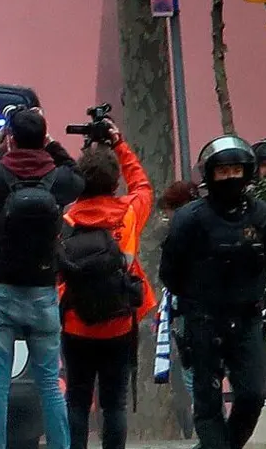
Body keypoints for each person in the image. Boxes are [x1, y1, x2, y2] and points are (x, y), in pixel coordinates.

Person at [0, 107, 81, 449]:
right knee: (50, 385)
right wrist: (52, 145)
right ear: (43, 138)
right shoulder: (59, 179)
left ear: (10, 137)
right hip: (42, 291)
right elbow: (78, 175)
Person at [161, 136, 266, 449]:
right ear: (210, 174)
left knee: (253, 394)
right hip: (203, 319)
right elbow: (170, 272)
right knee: (208, 402)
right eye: (222, 171)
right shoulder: (189, 219)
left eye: (236, 170)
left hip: (247, 318)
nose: (230, 178)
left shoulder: (261, 216)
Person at [57, 128, 154, 449]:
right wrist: (120, 144)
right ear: (115, 182)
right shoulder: (129, 213)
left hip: (75, 323)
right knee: (115, 403)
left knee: (77, 400)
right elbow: (142, 185)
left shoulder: (67, 218)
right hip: (119, 322)